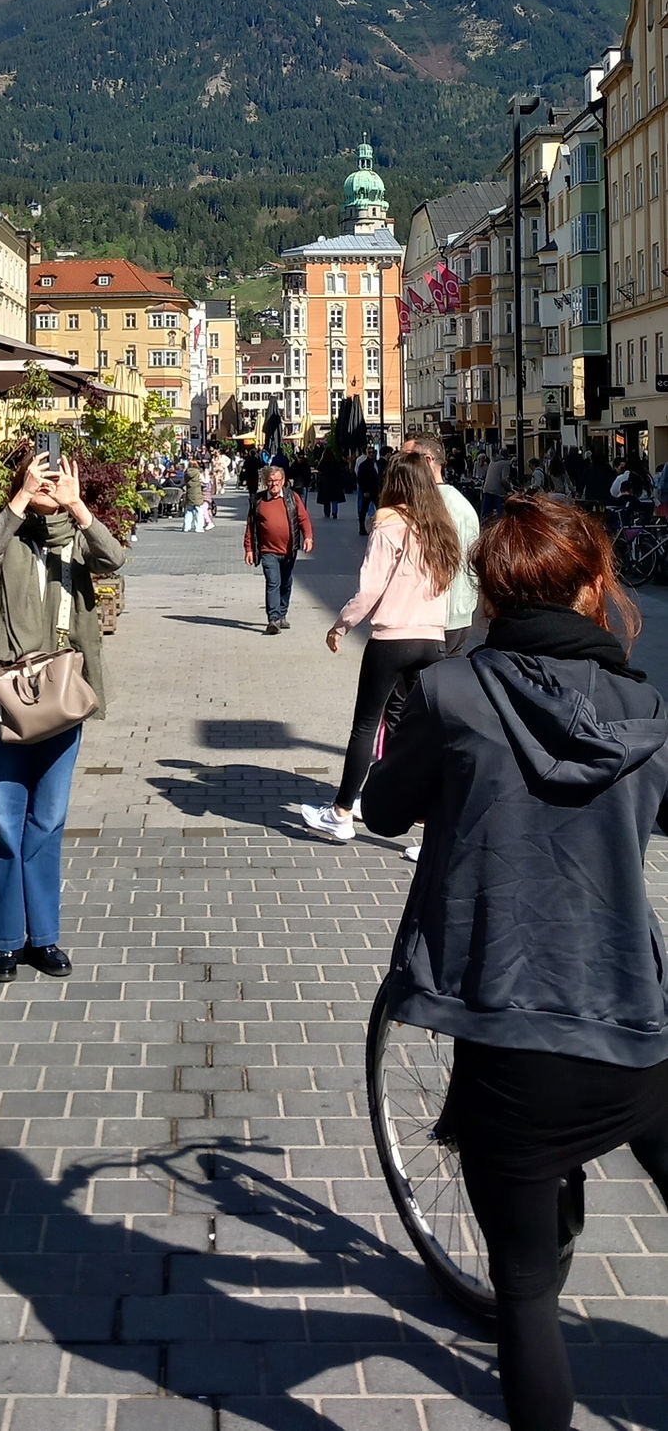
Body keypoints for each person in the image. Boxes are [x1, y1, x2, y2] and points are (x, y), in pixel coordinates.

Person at [361, 495, 668, 1431]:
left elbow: (380, 809)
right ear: (595, 586)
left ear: (487, 592)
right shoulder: (646, 705)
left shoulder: (454, 695)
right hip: (640, 1032)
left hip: (511, 1042)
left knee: (527, 1296)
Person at [0, 447, 125, 984]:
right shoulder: (9, 533)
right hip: (11, 699)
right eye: (38, 475)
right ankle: (1, 940)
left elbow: (115, 558)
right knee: (4, 822)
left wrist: (77, 505)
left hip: (63, 695)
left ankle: (43, 938)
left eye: (54, 476)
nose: (47, 484)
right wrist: (20, 498)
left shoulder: (78, 539)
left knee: (48, 821)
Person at [300, 450, 456, 844]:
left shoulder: (389, 524)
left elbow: (370, 588)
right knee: (411, 729)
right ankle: (420, 819)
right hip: (432, 637)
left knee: (366, 725)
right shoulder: (440, 527)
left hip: (393, 638)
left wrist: (341, 624)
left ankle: (340, 813)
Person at [402, 432, 479, 653]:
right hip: (458, 613)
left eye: (407, 459)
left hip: (434, 616)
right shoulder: (459, 503)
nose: (399, 466)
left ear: (427, 461)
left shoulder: (435, 505)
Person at [244, 462, 314, 634]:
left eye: (277, 481)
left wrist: (308, 537)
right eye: (270, 481)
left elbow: (303, 518)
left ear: (283, 481)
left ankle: (282, 614)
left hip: (289, 550)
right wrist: (249, 549)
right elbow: (250, 526)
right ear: (265, 482)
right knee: (273, 582)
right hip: (268, 551)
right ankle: (273, 619)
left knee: (286, 582)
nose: (273, 484)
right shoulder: (258, 500)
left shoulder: (292, 497)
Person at [481, 445, 514, 520]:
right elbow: (504, 479)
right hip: (498, 491)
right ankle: (500, 529)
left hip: (487, 489)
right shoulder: (505, 464)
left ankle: (483, 528)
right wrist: (510, 489)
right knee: (501, 514)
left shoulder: (492, 462)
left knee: (486, 513)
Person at [316, 443, 346, 520]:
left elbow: (319, 469)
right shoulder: (335, 462)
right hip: (335, 483)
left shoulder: (323, 462)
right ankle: (334, 512)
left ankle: (327, 513)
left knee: (326, 500)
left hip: (325, 483)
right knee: (334, 499)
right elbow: (340, 472)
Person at [354, 445, 379, 536]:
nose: (372, 454)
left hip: (376, 491)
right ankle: (362, 528)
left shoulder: (377, 463)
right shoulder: (363, 465)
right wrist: (364, 490)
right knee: (363, 510)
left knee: (380, 509)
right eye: (370, 453)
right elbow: (360, 479)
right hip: (367, 491)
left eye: (373, 452)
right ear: (367, 453)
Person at [182, 455, 208, 532]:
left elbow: (184, 482)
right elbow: (204, 482)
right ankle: (199, 527)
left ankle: (186, 527)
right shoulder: (198, 473)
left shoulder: (186, 473)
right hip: (197, 494)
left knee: (188, 511)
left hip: (189, 493)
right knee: (198, 511)